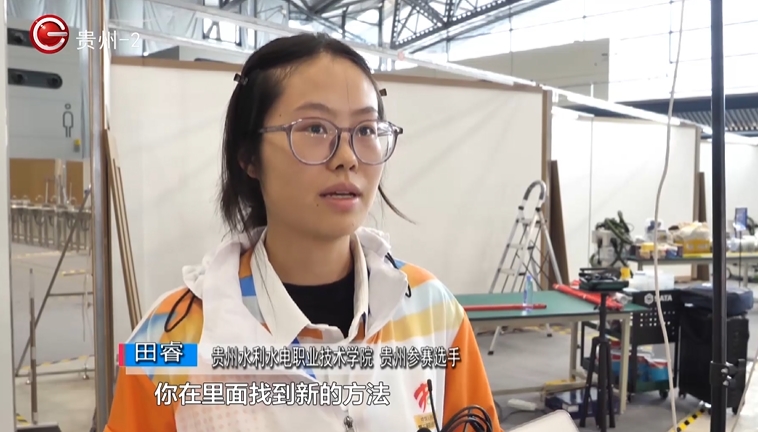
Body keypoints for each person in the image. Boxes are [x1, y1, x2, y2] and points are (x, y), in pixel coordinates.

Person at [106, 33, 501, 432]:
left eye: (366, 130)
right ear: (248, 156)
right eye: (314, 129)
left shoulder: (432, 310)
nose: (347, 157)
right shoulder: (166, 340)